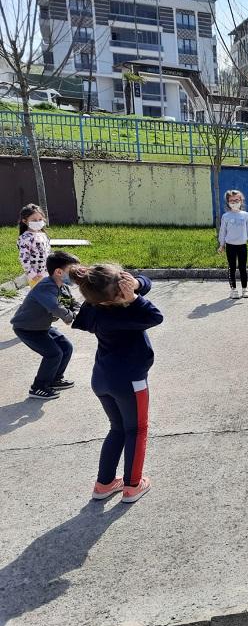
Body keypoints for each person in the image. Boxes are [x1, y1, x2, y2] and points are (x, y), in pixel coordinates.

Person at [71, 264, 163, 504]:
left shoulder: (93, 308)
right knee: (137, 430)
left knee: (118, 428)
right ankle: (133, 486)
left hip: (102, 378)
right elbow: (155, 316)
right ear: (120, 294)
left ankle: (104, 484)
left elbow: (146, 282)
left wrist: (136, 286)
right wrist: (134, 297)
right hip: (130, 382)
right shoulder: (128, 312)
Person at [10, 251, 81, 400]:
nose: (76, 275)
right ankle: (38, 387)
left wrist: (76, 313)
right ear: (59, 272)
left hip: (42, 327)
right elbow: (55, 308)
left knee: (66, 347)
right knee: (53, 354)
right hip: (27, 329)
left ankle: (54, 379)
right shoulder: (45, 287)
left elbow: (73, 304)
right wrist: (70, 317)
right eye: (72, 271)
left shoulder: (63, 287)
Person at [217, 189, 248, 300]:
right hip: (230, 246)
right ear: (228, 202)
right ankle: (233, 290)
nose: (234, 202)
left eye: (236, 200)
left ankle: (245, 289)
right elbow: (223, 231)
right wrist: (222, 244)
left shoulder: (246, 215)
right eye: (232, 200)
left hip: (242, 246)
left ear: (241, 201)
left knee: (242, 267)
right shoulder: (226, 216)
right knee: (231, 268)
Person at [18, 204, 51, 287]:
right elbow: (24, 258)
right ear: (25, 221)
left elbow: (48, 252)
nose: (38, 222)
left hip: (46, 273)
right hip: (35, 276)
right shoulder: (25, 238)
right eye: (34, 220)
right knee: (39, 296)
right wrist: (32, 274)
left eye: (40, 219)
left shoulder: (43, 234)